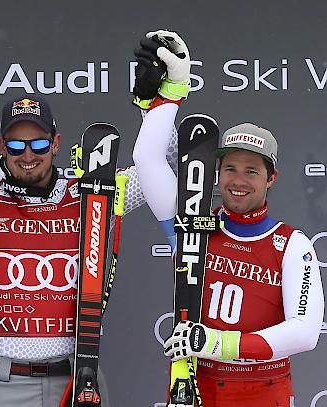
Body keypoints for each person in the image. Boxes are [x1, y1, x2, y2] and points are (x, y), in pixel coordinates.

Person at [0, 4, 180, 405]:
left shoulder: (92, 192)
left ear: (56, 144)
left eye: (39, 143)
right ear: (1, 147)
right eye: (17, 144)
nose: (29, 154)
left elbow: (161, 167)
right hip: (1, 383)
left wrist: (158, 103)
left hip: (80, 379)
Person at [132, 30, 324, 407]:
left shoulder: (290, 243)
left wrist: (214, 342)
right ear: (216, 172)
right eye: (230, 168)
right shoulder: (191, 223)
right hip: (195, 385)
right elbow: (148, 160)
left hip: (262, 389)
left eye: (252, 171)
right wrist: (172, 91)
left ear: (272, 178)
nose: (238, 181)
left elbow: (305, 333)